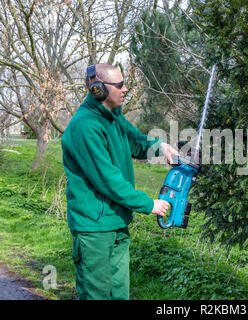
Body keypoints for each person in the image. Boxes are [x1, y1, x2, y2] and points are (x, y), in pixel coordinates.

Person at [61, 63, 178, 300]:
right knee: (97, 295)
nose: (125, 89)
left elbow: (136, 141)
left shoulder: (114, 117)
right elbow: (108, 180)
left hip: (117, 221)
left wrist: (161, 147)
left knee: (119, 294)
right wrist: (148, 204)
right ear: (98, 90)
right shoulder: (85, 127)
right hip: (94, 227)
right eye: (120, 85)